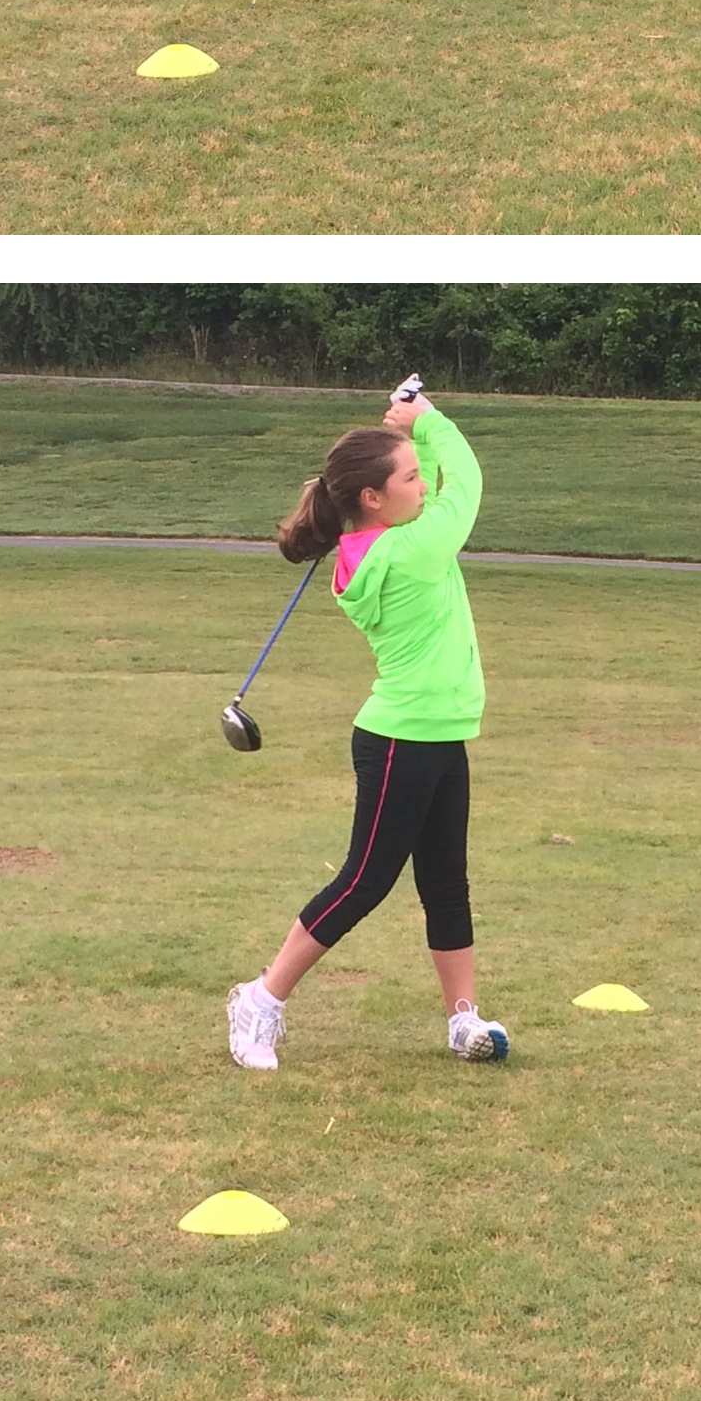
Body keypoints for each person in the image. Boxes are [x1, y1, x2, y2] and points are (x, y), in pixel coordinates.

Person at [226, 386, 512, 1069]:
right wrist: (429, 420)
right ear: (374, 499)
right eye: (408, 477)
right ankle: (259, 1000)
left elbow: (442, 483)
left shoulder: (377, 544)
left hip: (438, 735)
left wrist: (413, 430)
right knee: (364, 882)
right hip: (399, 742)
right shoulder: (408, 553)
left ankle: (462, 1018)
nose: (423, 483)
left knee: (446, 880)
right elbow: (465, 485)